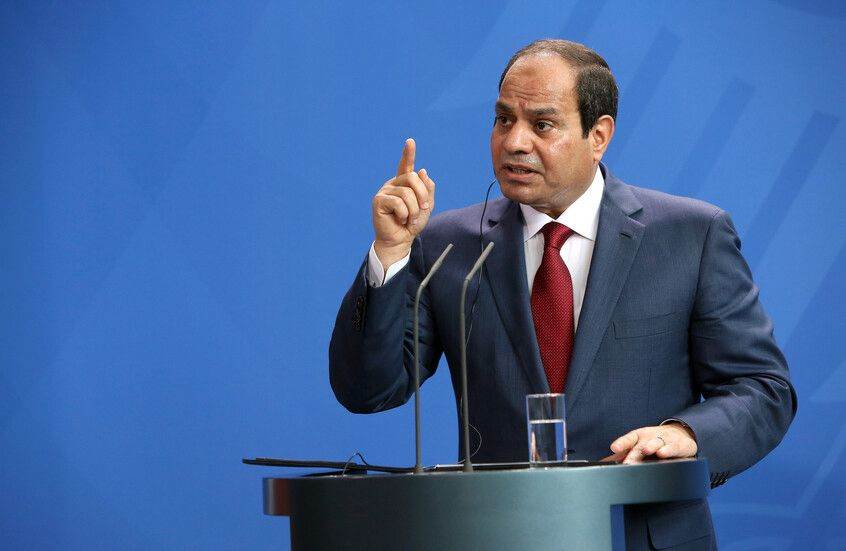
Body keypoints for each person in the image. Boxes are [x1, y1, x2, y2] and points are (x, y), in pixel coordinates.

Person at [329, 39, 795, 550]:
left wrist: (686, 434)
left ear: (599, 136)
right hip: (498, 536)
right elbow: (368, 389)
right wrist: (391, 252)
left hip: (643, 535)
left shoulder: (691, 235)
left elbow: (762, 389)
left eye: (542, 125)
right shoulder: (448, 245)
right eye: (504, 120)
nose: (514, 142)